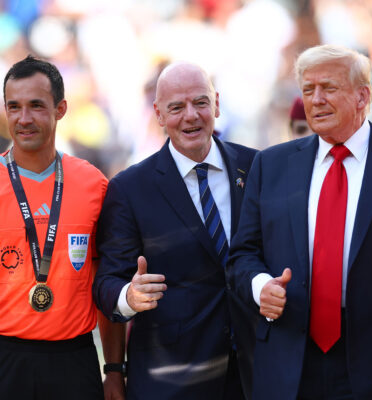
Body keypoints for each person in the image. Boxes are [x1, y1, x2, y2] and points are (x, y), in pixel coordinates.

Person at [228, 44, 372, 400]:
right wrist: (262, 287)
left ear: (362, 96)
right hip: (287, 358)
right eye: (308, 90)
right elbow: (242, 255)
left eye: (329, 88)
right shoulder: (271, 165)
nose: (316, 99)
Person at [93, 62, 258, 400]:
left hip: (255, 373)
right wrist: (130, 296)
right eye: (176, 107)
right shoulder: (129, 188)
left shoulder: (257, 167)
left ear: (216, 103)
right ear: (158, 114)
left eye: (199, 102)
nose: (191, 116)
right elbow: (107, 282)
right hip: (172, 380)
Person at [0, 55, 125, 400]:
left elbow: (107, 283)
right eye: (14, 107)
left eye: (36, 106)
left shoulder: (93, 184)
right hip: (6, 360)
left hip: (74, 360)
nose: (24, 119)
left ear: (61, 109)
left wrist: (114, 370)